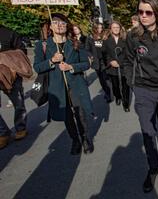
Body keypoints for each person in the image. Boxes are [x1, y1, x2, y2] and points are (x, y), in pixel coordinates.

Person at [122, 0, 158, 194]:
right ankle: (153, 167)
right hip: (143, 91)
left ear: (156, 14)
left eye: (148, 12)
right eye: (140, 12)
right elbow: (127, 61)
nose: (143, 16)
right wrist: (132, 82)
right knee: (147, 130)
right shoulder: (133, 37)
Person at [33, 13, 94, 155]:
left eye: (63, 23)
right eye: (55, 22)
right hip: (57, 87)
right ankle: (75, 140)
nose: (59, 25)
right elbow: (37, 67)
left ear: (67, 26)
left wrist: (71, 67)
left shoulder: (75, 43)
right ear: (50, 26)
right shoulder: (42, 45)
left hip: (76, 85)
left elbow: (86, 64)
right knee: (67, 116)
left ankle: (85, 138)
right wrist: (51, 61)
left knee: (80, 113)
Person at [0, 25, 27, 149]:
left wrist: (13, 68)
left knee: (18, 102)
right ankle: (3, 133)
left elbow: (22, 51)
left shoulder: (9, 33)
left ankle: (21, 128)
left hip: (12, 76)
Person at [103, 21, 130, 112]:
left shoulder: (125, 39)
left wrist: (121, 62)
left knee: (125, 86)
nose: (116, 29)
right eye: (114, 27)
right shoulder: (107, 40)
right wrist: (110, 61)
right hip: (112, 68)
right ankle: (117, 96)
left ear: (120, 28)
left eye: (117, 27)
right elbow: (105, 54)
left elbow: (128, 53)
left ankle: (125, 103)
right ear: (110, 29)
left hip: (124, 66)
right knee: (115, 86)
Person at [86, 22, 112, 102]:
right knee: (102, 79)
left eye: (101, 28)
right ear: (95, 28)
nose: (100, 29)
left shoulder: (105, 36)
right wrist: (91, 56)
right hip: (97, 62)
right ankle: (107, 93)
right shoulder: (90, 37)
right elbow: (87, 49)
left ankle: (112, 90)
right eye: (98, 28)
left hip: (105, 60)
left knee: (108, 77)